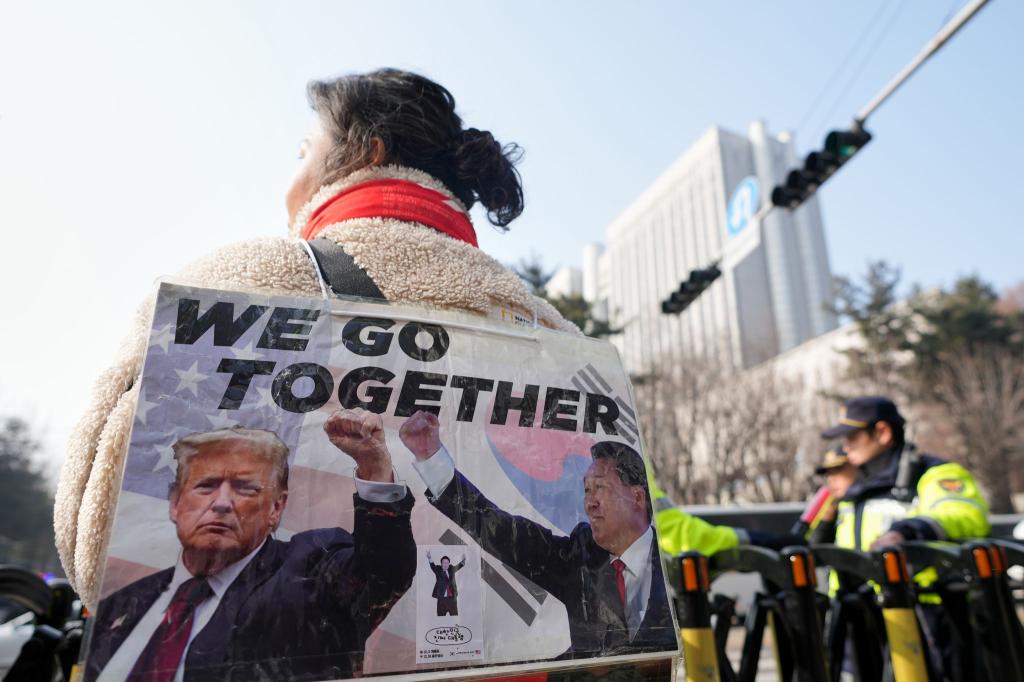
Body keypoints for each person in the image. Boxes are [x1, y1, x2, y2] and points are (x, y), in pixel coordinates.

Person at [55, 68, 577, 610]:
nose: (291, 180)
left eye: (303, 151)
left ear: (365, 154)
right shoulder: (546, 326)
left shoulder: (240, 281)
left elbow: (93, 544)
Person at [85, 415, 416, 681]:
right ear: (175, 504)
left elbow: (382, 574)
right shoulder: (121, 605)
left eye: (244, 488)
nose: (222, 504)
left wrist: (374, 470)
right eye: (206, 486)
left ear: (275, 508)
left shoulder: (312, 566)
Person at [397, 409, 677, 660]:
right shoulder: (580, 556)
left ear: (637, 497)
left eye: (600, 487)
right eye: (587, 489)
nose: (589, 502)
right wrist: (432, 459)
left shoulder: (677, 570)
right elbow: (502, 531)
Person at [819, 395, 990, 678]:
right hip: (863, 623)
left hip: (926, 620)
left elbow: (966, 515)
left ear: (883, 432)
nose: (845, 445)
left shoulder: (933, 474)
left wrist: (907, 531)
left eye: (853, 436)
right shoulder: (856, 490)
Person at [427, 551, 466, 616]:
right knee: (440, 617)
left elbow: (459, 566)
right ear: (441, 563)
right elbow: (433, 566)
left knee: (454, 616)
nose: (445, 564)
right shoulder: (438, 570)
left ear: (449, 563)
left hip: (452, 599)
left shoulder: (451, 569)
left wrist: (463, 560)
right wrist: (429, 558)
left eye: (447, 563)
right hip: (441, 599)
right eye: (444, 563)